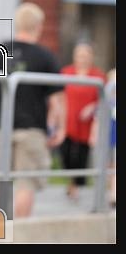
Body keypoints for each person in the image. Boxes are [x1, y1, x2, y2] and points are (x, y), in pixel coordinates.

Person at [0, 2, 66, 218]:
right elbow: (57, 99)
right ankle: (19, 231)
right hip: (32, 127)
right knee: (26, 181)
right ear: (39, 26)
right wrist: (60, 127)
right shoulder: (46, 56)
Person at [59, 42, 105, 200]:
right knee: (65, 153)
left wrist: (92, 107)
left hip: (87, 123)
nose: (82, 59)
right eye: (80, 56)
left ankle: (75, 186)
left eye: (86, 56)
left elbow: (105, 98)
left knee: (80, 156)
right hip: (67, 120)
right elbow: (58, 95)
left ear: (91, 57)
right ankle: (71, 181)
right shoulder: (66, 72)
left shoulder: (98, 76)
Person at [89, 67, 116, 208]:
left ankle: (113, 195)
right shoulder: (104, 103)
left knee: (115, 168)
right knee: (103, 166)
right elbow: (97, 120)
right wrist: (93, 136)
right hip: (105, 139)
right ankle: (101, 194)